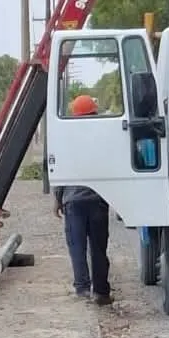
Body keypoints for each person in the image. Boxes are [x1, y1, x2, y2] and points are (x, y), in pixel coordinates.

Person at [53, 93, 114, 306]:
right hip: (98, 200)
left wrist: (58, 199)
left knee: (77, 247)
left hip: (74, 202)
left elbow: (59, 169)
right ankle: (101, 292)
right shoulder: (103, 136)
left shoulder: (67, 137)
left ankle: (82, 289)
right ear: (94, 113)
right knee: (98, 249)